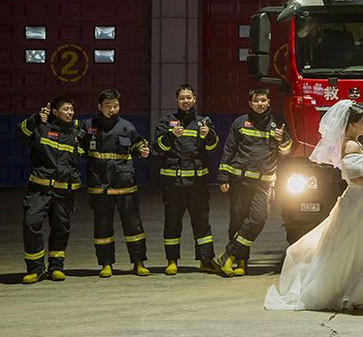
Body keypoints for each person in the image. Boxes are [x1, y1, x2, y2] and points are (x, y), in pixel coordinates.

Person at [264, 101, 363, 310]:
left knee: (352, 245)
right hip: (359, 201)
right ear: (351, 125)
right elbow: (355, 179)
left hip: (362, 200)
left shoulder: (351, 143)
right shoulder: (351, 145)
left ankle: (353, 292)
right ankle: (354, 296)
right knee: (358, 245)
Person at [215, 87, 294, 277]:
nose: (260, 104)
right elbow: (229, 149)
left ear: (268, 102)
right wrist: (223, 176)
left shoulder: (277, 125)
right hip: (240, 180)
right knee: (237, 221)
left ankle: (228, 254)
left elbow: (287, 151)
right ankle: (241, 262)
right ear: (250, 103)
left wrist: (282, 139)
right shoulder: (240, 123)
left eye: (263, 100)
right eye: (256, 101)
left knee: (258, 219)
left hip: (264, 183)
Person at [80, 89, 151, 277]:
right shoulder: (88, 126)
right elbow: (73, 143)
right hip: (100, 187)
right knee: (102, 227)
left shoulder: (127, 126)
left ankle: (139, 263)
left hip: (125, 186)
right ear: (99, 106)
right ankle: (106, 264)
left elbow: (138, 145)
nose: (112, 109)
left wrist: (143, 151)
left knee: (134, 227)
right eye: (108, 106)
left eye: (116, 106)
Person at [14, 97, 84, 283]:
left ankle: (56, 268)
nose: (70, 112)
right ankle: (36, 269)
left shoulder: (77, 134)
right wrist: (36, 119)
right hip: (40, 191)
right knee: (31, 224)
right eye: (65, 109)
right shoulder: (42, 128)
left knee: (61, 229)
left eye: (71, 109)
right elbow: (20, 135)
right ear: (54, 112)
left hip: (64, 193)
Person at [154, 84, 220, 275]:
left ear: (194, 99)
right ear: (176, 100)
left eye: (189, 97)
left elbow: (213, 147)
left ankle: (206, 261)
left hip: (197, 184)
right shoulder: (166, 122)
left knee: (202, 223)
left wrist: (209, 136)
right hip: (173, 185)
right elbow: (158, 147)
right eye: (182, 98)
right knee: (172, 222)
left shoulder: (203, 123)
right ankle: (172, 261)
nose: (185, 101)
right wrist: (170, 136)